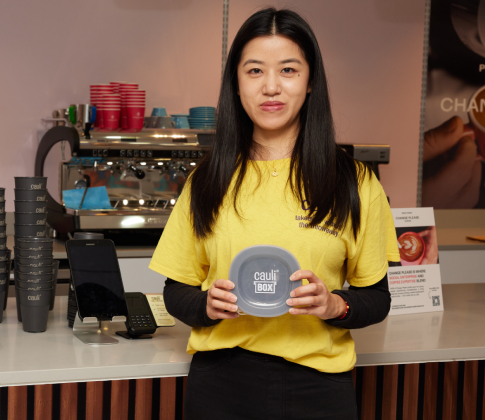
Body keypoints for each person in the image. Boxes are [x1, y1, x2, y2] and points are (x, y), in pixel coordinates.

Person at [148, 8, 400, 419]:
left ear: (311, 80)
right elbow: (176, 291)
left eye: (287, 70)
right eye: (254, 71)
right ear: (236, 83)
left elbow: (377, 298)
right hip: (220, 385)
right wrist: (206, 306)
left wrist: (333, 304)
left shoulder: (353, 182)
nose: (270, 87)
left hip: (319, 389)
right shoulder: (207, 180)